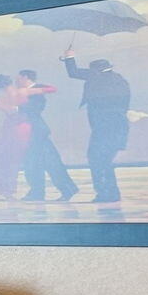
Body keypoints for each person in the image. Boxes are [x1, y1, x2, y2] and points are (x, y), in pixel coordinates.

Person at [63, 48, 131, 203]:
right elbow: (124, 104)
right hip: (116, 127)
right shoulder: (118, 79)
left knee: (97, 159)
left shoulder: (98, 78)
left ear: (96, 71)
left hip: (105, 128)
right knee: (103, 160)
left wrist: (69, 57)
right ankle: (110, 193)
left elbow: (74, 73)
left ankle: (106, 193)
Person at [16, 68, 76, 202]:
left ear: (25, 77)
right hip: (32, 131)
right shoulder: (29, 91)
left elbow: (35, 108)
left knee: (44, 161)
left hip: (36, 131)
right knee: (37, 162)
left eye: (18, 78)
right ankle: (41, 191)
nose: (16, 81)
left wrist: (17, 107)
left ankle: (48, 191)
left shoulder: (36, 91)